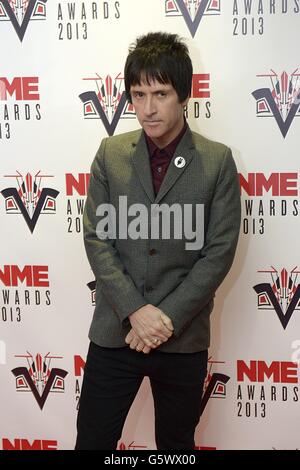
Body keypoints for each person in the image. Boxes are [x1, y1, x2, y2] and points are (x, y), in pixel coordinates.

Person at [75, 31, 241, 450]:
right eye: (138, 94)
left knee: (175, 447)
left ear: (184, 95)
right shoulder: (110, 153)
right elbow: (97, 237)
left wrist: (164, 318)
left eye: (160, 93)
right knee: (92, 441)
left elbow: (218, 252)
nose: (147, 109)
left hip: (181, 337)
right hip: (116, 333)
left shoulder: (217, 160)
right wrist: (135, 312)